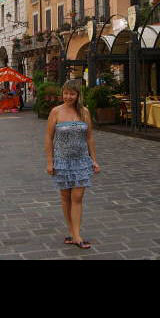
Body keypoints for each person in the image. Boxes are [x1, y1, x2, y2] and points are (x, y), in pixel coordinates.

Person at [45, 80, 100, 250]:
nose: (68, 97)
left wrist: (94, 159)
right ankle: (71, 231)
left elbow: (89, 137)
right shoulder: (56, 112)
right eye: (66, 93)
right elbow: (49, 138)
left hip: (81, 161)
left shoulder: (84, 112)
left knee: (77, 197)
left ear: (78, 95)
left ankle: (77, 235)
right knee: (65, 198)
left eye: (72, 94)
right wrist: (50, 162)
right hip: (62, 161)